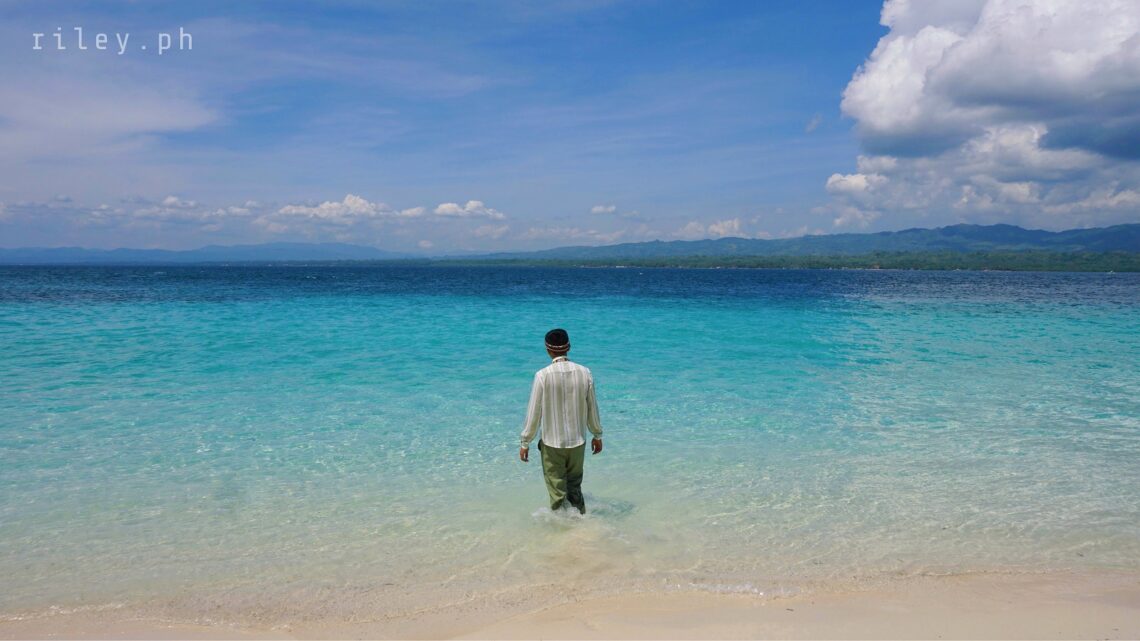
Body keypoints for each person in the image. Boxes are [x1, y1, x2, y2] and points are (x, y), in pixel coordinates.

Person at [519, 328, 604, 514]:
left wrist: (526, 441)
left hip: (552, 444)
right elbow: (592, 408)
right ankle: (582, 526)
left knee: (557, 494)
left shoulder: (542, 375)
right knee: (575, 489)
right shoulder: (585, 372)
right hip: (578, 442)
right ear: (569, 347)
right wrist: (597, 434)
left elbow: (534, 412)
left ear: (547, 350)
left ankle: (560, 533)